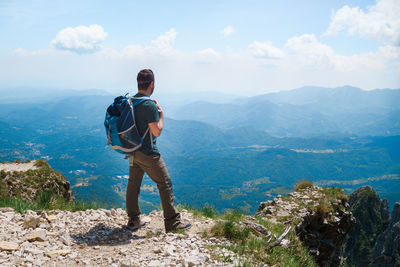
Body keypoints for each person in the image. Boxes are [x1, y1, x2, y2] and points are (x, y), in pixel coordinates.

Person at [125, 69, 191, 232]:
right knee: (165, 184)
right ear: (152, 84)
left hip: (132, 150)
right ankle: (172, 223)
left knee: (133, 184)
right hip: (148, 152)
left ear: (138, 83)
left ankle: (134, 220)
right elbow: (156, 131)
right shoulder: (149, 104)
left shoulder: (130, 101)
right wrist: (161, 114)